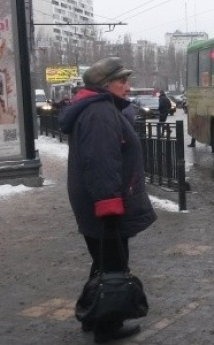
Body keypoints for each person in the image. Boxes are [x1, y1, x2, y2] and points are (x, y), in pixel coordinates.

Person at [58, 57, 156, 343]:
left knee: (104, 261)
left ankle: (93, 313)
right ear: (104, 85)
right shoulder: (101, 113)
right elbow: (102, 163)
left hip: (98, 202)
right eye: (122, 81)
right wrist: (110, 209)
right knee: (113, 263)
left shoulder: (99, 109)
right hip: (104, 205)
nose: (128, 86)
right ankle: (107, 326)